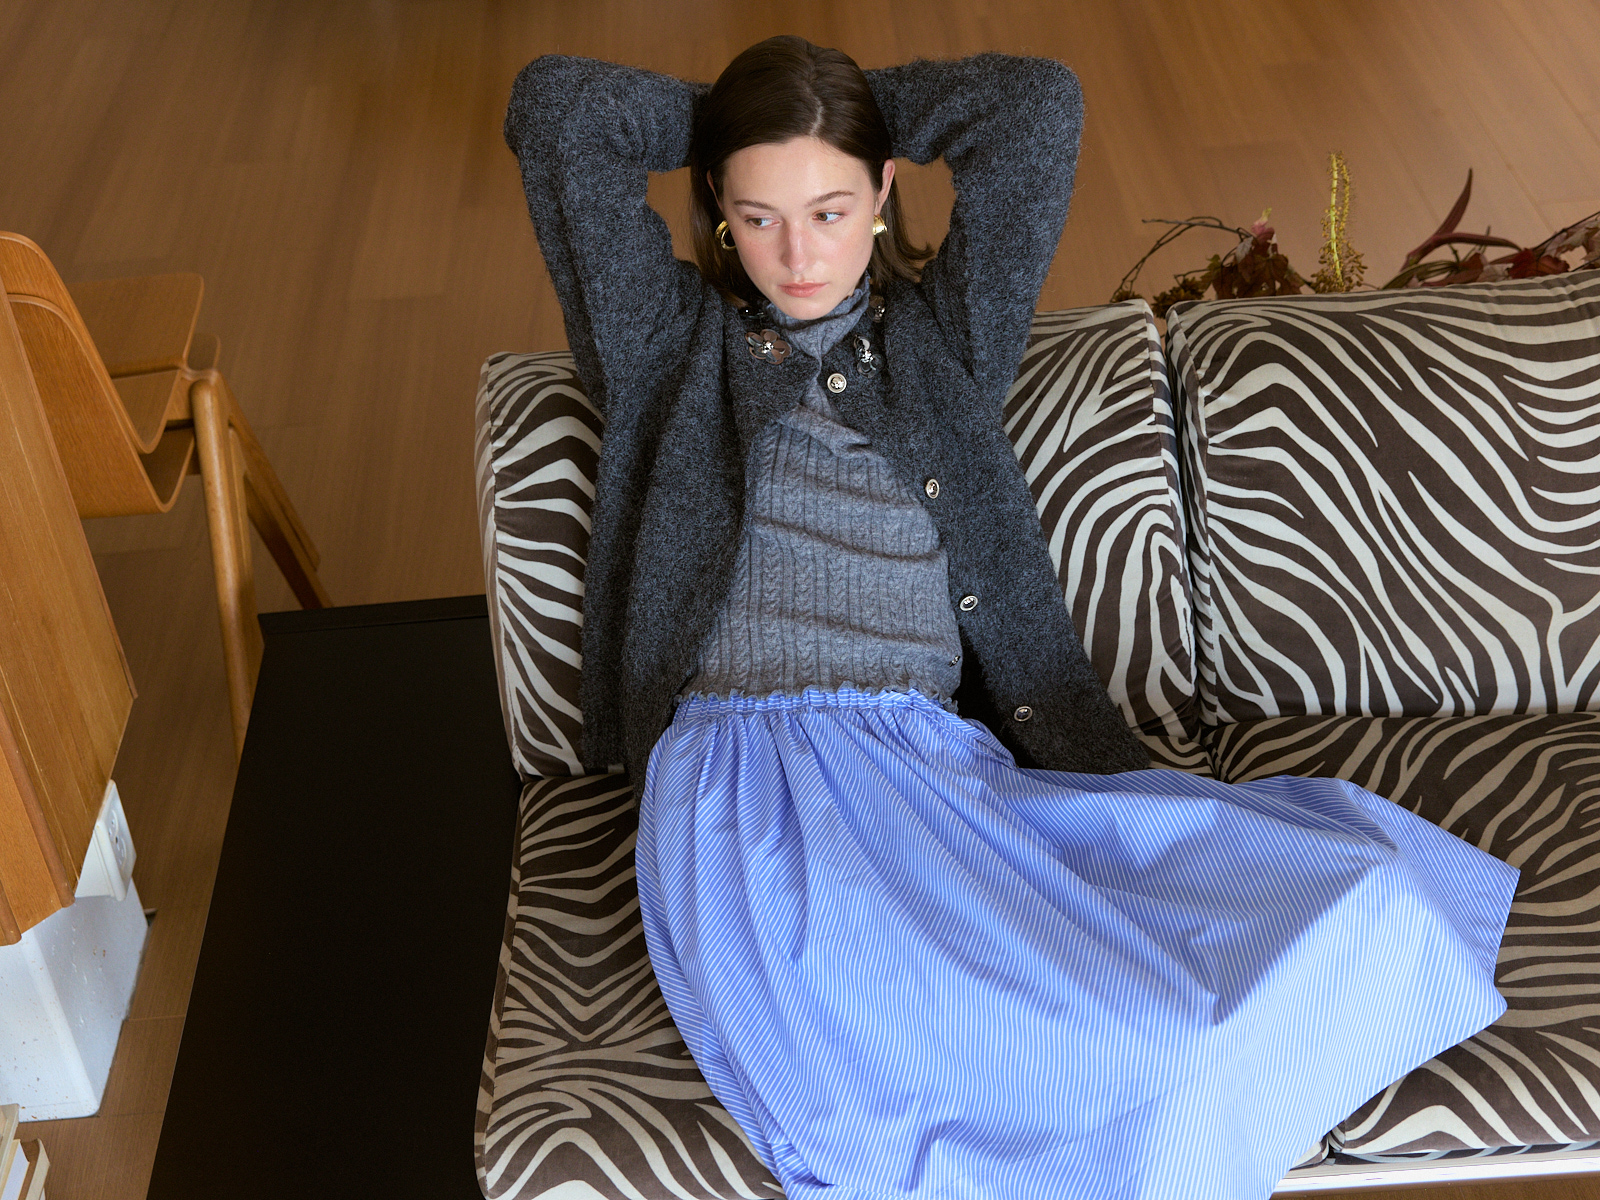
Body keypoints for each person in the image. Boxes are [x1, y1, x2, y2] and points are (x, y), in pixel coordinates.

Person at [504, 36, 1518, 1199]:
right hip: (751, 791)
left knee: (1360, 898)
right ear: (720, 217)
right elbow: (559, 111)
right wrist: (745, 117)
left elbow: (1035, 109)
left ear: (884, 193)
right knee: (971, 1065)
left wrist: (839, 112)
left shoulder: (944, 342)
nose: (799, 254)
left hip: (938, 775)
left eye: (830, 209)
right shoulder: (664, 345)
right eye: (757, 217)